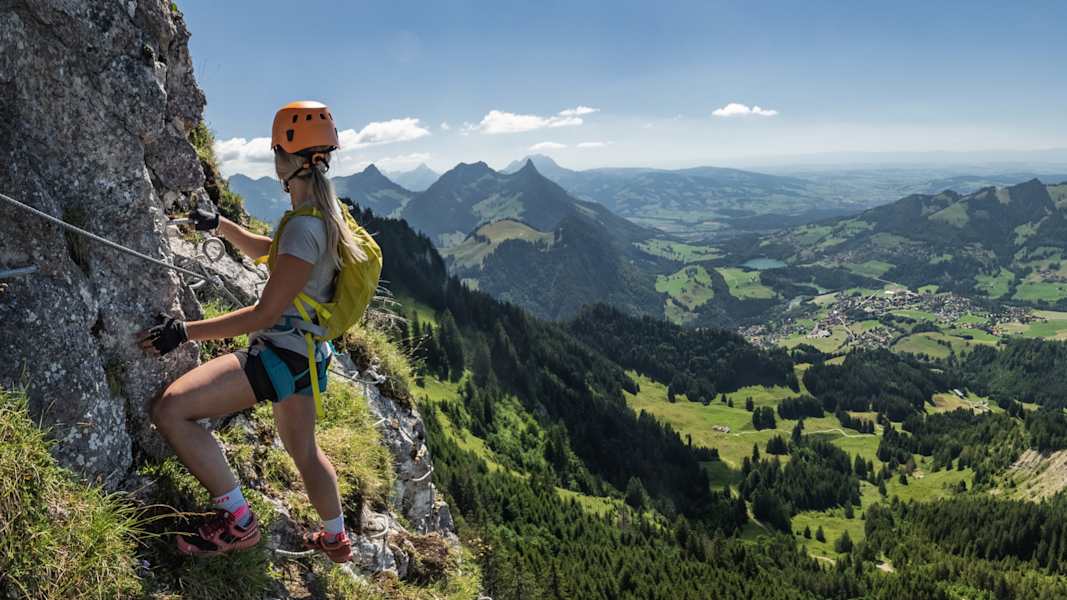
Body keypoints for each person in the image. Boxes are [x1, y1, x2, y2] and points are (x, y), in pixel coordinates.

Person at [139, 101, 368, 563]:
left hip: (276, 357)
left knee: (171, 411)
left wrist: (185, 331)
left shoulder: (305, 226)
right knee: (305, 453)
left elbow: (264, 314)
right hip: (306, 358)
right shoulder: (323, 215)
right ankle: (336, 538)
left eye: (275, 151)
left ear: (287, 159)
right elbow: (275, 251)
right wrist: (220, 225)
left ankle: (238, 522)